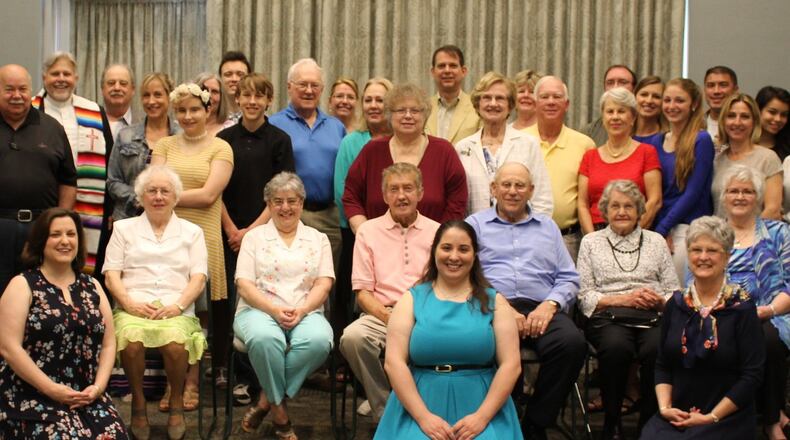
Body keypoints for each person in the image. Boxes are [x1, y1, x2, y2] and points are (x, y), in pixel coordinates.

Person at [467, 162, 586, 440]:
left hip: (541, 306)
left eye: (520, 185)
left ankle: (535, 421)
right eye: (505, 185)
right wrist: (503, 307)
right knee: (483, 343)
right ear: (493, 189)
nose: (512, 191)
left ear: (531, 191)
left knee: (572, 344)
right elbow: (466, 274)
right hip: (492, 307)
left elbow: (569, 278)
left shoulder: (548, 227)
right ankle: (501, 416)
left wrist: (550, 305)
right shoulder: (475, 225)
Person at [374, 220, 522, 439]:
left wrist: (481, 418)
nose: (454, 256)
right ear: (434, 251)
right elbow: (394, 363)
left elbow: (511, 365)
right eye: (446, 248)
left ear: (475, 255)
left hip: (482, 406)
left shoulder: (495, 302)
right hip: (419, 406)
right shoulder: (411, 300)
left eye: (463, 249)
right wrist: (424, 417)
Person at [0, 208, 127, 438]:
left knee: (114, 435)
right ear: (41, 241)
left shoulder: (93, 286)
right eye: (55, 234)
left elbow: (109, 343)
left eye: (71, 234)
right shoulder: (22, 285)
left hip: (86, 395)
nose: (65, 241)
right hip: (31, 394)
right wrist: (52, 389)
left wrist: (98, 388)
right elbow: (9, 348)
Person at [103, 166, 207, 440]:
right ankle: (138, 403)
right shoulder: (124, 229)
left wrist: (178, 305)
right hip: (132, 305)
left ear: (175, 197)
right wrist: (128, 303)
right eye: (152, 190)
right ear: (141, 196)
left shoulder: (192, 232)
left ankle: (175, 403)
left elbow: (199, 277)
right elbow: (111, 274)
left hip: (176, 306)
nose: (158, 196)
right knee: (132, 340)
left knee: (174, 344)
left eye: (165, 191)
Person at [641, 216, 765, 440]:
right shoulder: (676, 305)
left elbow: (752, 376)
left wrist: (712, 417)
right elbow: (662, 364)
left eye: (712, 250)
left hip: (725, 417)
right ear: (687, 255)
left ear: (727, 257)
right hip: (676, 415)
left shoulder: (742, 308)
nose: (703, 257)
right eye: (696, 249)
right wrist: (664, 408)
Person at [233, 172, 334, 440]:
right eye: (277, 201)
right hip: (257, 310)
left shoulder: (318, 238)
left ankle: (266, 399)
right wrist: (273, 310)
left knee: (320, 341)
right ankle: (280, 415)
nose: (285, 207)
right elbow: (244, 284)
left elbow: (324, 284)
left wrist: (301, 311)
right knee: (266, 338)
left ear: (301, 202)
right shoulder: (254, 238)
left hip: (306, 309)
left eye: (292, 201)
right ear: (268, 204)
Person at [151, 82, 233, 403]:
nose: (188, 116)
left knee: (198, 316)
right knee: (171, 311)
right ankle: (173, 382)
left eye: (194, 109)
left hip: (202, 237)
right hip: (166, 238)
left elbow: (209, 195)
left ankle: (192, 383)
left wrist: (166, 196)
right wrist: (163, 195)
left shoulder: (220, 148)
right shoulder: (164, 146)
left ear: (207, 110)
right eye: (181, 111)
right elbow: (153, 184)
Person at [577, 180, 679, 439]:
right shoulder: (591, 242)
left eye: (628, 206)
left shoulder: (656, 241)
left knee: (657, 348)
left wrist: (659, 301)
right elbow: (584, 295)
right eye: (615, 206)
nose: (622, 212)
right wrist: (623, 299)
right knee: (616, 348)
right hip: (609, 317)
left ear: (639, 210)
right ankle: (612, 422)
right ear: (605, 210)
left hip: (652, 315)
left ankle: (650, 421)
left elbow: (674, 290)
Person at [339, 163, 440, 421]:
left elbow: (442, 285)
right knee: (352, 338)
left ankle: (429, 403)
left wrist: (413, 316)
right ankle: (386, 408)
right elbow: (362, 292)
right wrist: (390, 318)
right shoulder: (368, 232)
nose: (401, 195)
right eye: (393, 189)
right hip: (382, 313)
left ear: (420, 192)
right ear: (384, 196)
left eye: (408, 188)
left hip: (426, 314)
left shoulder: (438, 232)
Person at [718, 165, 790, 440]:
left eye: (747, 191)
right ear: (724, 197)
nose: (740, 196)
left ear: (757, 197)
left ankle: (771, 420)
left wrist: (769, 309)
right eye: (733, 191)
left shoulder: (779, 233)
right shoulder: (712, 231)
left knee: (769, 339)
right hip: (722, 314)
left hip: (772, 313)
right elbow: (695, 281)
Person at [342, 82, 468, 229]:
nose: (408, 116)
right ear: (389, 115)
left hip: (432, 246)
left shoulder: (444, 151)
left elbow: (457, 202)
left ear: (425, 115)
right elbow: (351, 196)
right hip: (378, 247)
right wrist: (364, 232)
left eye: (415, 111)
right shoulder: (372, 151)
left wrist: (440, 240)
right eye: (401, 110)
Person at [32, 51, 114, 276]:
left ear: (76, 79)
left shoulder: (95, 111)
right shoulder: (29, 112)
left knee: (83, 264)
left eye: (66, 74)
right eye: (54, 73)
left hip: (90, 204)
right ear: (44, 77)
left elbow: (109, 161)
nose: (61, 78)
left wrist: (109, 209)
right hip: (44, 200)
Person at [0, 64, 77, 292]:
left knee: (39, 295)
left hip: (41, 228)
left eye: (22, 89)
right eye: (9, 89)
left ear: (31, 91)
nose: (17, 96)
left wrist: (58, 223)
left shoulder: (52, 128)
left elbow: (68, 182)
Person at [333, 77, 393, 339]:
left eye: (380, 100)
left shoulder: (399, 138)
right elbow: (342, 189)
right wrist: (365, 228)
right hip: (356, 232)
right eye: (368, 100)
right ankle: (346, 357)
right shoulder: (351, 141)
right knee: (351, 293)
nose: (373, 105)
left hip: (395, 231)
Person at [270, 58, 346, 263]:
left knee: (328, 281)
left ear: (322, 90)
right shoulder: (273, 124)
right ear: (289, 87)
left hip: (329, 215)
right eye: (302, 84)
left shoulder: (336, 126)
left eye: (315, 85)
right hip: (291, 215)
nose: (309, 90)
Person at [645, 78, 715, 286]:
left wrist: (662, 230)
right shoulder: (656, 141)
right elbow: (655, 192)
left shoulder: (701, 140)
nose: (672, 106)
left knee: (678, 292)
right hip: (660, 227)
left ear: (693, 104)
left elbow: (693, 193)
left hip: (687, 227)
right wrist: (658, 230)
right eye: (667, 100)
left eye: (679, 101)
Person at [455, 71, 553, 216]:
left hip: (520, 234)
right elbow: (459, 201)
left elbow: (542, 200)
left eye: (500, 98)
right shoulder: (463, 147)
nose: (493, 103)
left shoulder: (528, 144)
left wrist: (532, 234)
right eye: (487, 97)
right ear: (478, 104)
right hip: (475, 233)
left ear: (510, 105)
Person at [525, 76, 596, 260]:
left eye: (557, 97)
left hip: (568, 240)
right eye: (544, 96)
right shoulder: (518, 139)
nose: (550, 102)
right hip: (523, 237)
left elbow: (589, 199)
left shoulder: (584, 144)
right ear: (534, 102)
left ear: (567, 104)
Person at [578, 87, 662, 233]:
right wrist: (593, 240)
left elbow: (655, 200)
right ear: (603, 117)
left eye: (621, 111)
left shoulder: (647, 152)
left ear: (633, 118)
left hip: (635, 232)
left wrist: (632, 236)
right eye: (610, 112)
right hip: (596, 234)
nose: (615, 117)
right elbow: (582, 204)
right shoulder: (589, 157)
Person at [108, 72, 180, 221]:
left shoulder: (181, 136)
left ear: (170, 97)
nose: (151, 101)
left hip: (172, 219)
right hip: (128, 218)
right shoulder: (125, 135)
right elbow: (113, 181)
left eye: (158, 95)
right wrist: (141, 197)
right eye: (146, 95)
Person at [711, 93, 782, 220]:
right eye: (731, 116)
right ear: (723, 121)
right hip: (719, 237)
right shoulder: (716, 160)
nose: (737, 122)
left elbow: (773, 210)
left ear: (754, 122)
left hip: (756, 237)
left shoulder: (768, 158)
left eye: (745, 117)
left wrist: (746, 236)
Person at [424, 45, 480, 144]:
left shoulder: (477, 108)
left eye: (453, 66)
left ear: (463, 71)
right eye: (441, 66)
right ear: (433, 72)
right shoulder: (422, 108)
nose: (447, 70)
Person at [582, 64, 637, 146]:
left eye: (623, 82)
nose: (616, 87)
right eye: (610, 83)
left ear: (634, 88)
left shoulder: (646, 127)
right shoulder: (589, 132)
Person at [702, 66, 739, 146]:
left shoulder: (745, 127)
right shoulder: (693, 126)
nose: (716, 91)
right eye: (711, 85)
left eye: (723, 85)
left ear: (735, 90)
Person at [101, 63, 135, 139]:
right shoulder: (91, 122)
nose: (117, 88)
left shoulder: (145, 124)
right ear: (102, 89)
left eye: (123, 84)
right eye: (111, 83)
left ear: (133, 90)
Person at [756, 86, 790, 161]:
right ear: (758, 110)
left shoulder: (787, 148)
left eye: (784, 114)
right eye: (772, 112)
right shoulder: (742, 142)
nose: (778, 119)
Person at [218, 50, 252, 122]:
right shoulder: (211, 117)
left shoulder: (259, 118)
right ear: (220, 78)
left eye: (240, 74)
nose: (234, 79)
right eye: (228, 74)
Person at [194, 72, 229, 136]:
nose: (209, 95)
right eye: (204, 90)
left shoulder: (230, 129)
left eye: (214, 91)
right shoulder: (184, 126)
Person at [633, 76, 666, 141]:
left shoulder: (668, 140)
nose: (649, 101)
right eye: (644, 94)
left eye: (656, 96)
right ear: (634, 97)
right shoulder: (622, 134)